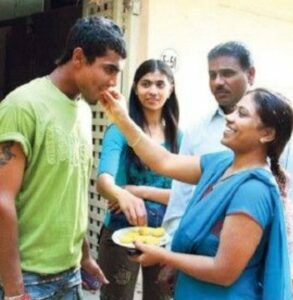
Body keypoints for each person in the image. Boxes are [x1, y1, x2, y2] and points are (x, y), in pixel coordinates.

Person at [98, 87, 293, 299]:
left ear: (267, 134)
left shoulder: (253, 191)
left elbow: (223, 271)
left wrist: (165, 257)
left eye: (242, 114)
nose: (229, 117)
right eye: (235, 110)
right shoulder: (221, 164)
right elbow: (164, 161)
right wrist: (122, 117)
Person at [0, 16, 126, 299]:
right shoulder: (22, 106)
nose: (113, 82)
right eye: (109, 69)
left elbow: (73, 192)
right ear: (79, 57)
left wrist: (84, 257)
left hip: (69, 276)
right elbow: (2, 201)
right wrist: (13, 290)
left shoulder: (83, 110)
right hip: (28, 280)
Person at [96, 59, 181, 300]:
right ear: (135, 88)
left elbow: (183, 195)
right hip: (121, 232)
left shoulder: (180, 137)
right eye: (146, 84)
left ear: (170, 88)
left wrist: (136, 191)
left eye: (159, 84)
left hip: (164, 234)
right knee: (116, 296)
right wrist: (119, 193)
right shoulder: (118, 130)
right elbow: (104, 181)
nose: (153, 91)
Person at [162, 41, 256, 242]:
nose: (218, 82)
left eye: (227, 73)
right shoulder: (196, 131)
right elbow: (180, 198)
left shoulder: (270, 130)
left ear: (250, 75)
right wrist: (174, 247)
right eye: (212, 75)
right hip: (195, 253)